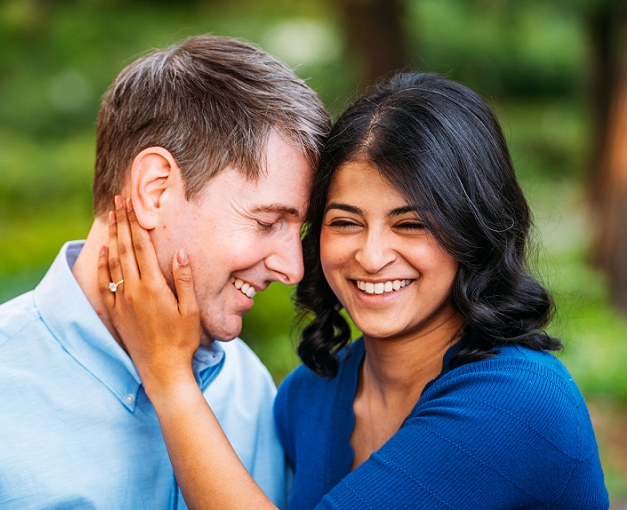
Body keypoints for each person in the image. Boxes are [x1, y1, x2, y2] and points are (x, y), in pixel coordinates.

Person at [0, 35, 331, 509]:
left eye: (297, 231)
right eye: (267, 221)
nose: (291, 268)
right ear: (155, 191)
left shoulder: (246, 388)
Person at [99, 72, 610, 509]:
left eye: (411, 225)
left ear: (472, 231)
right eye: (345, 222)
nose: (370, 255)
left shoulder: (516, 402)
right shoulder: (308, 396)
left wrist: (167, 373)